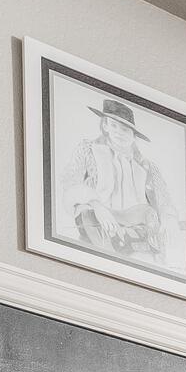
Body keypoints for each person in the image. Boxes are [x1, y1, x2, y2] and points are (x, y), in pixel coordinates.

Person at [68, 96, 168, 263]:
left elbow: (165, 204)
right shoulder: (88, 150)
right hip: (99, 226)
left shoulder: (148, 167)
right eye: (113, 125)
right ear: (105, 126)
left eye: (125, 129)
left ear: (133, 135)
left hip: (139, 232)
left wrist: (165, 222)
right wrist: (97, 206)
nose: (118, 133)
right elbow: (71, 183)